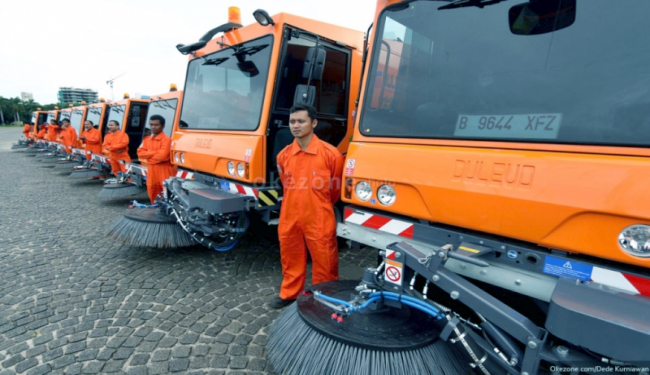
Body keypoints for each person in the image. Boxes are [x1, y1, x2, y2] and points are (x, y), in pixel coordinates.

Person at [270, 104, 344, 309]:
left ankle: (325, 295)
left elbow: (335, 189)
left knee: (324, 258)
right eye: (292, 121)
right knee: (290, 254)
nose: (296, 125)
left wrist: (319, 205)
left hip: (318, 213)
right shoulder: (283, 155)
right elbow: (285, 183)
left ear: (314, 123)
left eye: (301, 121)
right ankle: (290, 293)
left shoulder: (331, 155)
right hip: (290, 213)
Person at [137, 115, 177, 204]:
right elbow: (140, 153)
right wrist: (155, 153)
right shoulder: (147, 140)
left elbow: (162, 157)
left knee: (167, 192)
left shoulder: (167, 140)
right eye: (151, 124)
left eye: (156, 125)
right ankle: (155, 209)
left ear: (163, 126)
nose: (153, 127)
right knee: (152, 190)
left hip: (165, 170)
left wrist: (148, 157)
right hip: (152, 171)